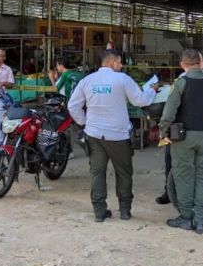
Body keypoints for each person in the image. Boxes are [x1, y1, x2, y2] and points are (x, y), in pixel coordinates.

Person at [67, 50, 158, 222]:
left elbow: (73, 106)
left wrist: (85, 123)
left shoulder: (87, 81)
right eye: (120, 62)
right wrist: (152, 91)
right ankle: (124, 210)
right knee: (123, 173)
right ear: (112, 62)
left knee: (97, 173)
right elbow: (141, 100)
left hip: (94, 135)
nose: (121, 65)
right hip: (118, 135)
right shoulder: (122, 79)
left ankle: (99, 212)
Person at [159, 49, 203, 235]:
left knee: (184, 176)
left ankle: (186, 218)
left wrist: (163, 132)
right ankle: (201, 222)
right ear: (201, 63)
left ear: (183, 65)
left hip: (183, 138)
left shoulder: (181, 83)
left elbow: (168, 113)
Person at [156, 51, 203, 205]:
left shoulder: (190, 81)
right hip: (190, 130)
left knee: (185, 164)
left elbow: (170, 109)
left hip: (184, 131)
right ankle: (170, 191)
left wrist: (163, 131)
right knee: (173, 162)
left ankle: (183, 200)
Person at [49, 57, 84, 159]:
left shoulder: (65, 75)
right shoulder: (77, 75)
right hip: (77, 104)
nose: (56, 67)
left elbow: (56, 89)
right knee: (71, 127)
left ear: (61, 65)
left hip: (66, 104)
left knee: (65, 128)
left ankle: (69, 151)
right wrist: (56, 79)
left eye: (57, 65)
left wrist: (51, 78)